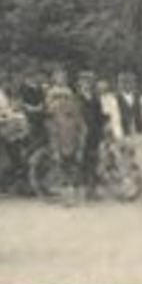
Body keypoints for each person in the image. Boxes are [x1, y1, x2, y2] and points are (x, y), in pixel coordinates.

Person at [105, 70, 142, 202]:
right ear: (119, 84)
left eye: (130, 82)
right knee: (124, 165)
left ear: (134, 84)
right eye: (123, 82)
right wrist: (119, 137)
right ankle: (128, 192)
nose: (127, 85)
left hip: (139, 135)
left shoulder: (141, 98)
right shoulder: (114, 99)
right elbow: (115, 119)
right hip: (124, 135)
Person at [44, 68, 86, 206]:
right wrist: (56, 150)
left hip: (73, 144)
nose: (66, 103)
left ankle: (75, 196)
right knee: (64, 170)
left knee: (75, 170)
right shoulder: (57, 115)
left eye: (68, 100)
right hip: (62, 143)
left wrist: (80, 147)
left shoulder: (76, 115)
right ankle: (67, 197)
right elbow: (54, 133)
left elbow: (82, 129)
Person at [76, 71, 106, 201]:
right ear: (80, 83)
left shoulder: (95, 98)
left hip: (95, 132)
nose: (86, 84)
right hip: (82, 131)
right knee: (82, 160)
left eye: (88, 82)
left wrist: (105, 123)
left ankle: (92, 190)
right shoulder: (77, 98)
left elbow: (99, 115)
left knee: (94, 160)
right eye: (84, 82)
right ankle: (82, 190)